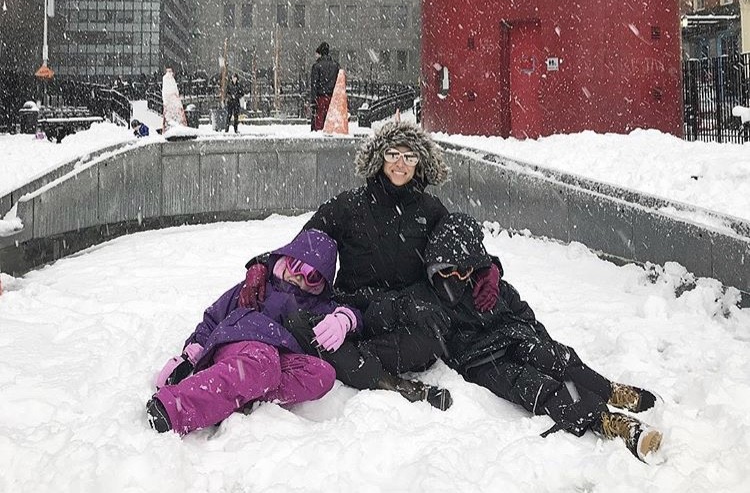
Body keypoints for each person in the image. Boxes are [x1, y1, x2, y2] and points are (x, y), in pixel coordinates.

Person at [239, 121, 502, 409]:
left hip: (404, 313)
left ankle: (344, 357)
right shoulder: (348, 206)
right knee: (298, 317)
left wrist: (488, 267)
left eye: (410, 157)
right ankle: (357, 362)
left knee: (432, 339)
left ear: (420, 163)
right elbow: (303, 247)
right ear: (380, 157)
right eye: (393, 154)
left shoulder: (431, 210)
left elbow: (459, 250)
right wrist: (262, 265)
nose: (400, 164)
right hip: (351, 310)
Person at [367, 212, 663, 462]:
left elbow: (524, 314)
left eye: (465, 270)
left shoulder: (491, 287)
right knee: (535, 387)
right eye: (449, 271)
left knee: (559, 359)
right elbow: (378, 313)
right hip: (481, 360)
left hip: (515, 337)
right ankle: (608, 422)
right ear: (436, 268)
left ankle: (609, 390)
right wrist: (406, 308)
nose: (457, 278)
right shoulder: (427, 295)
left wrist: (545, 343)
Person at [146, 230, 361, 436]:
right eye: (297, 266)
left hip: (274, 360)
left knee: (322, 374)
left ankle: (240, 393)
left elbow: (356, 316)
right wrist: (190, 353)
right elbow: (214, 316)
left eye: (312, 276)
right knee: (263, 363)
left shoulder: (315, 304)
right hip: (240, 340)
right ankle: (174, 408)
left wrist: (344, 318)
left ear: (321, 283)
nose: (300, 278)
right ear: (287, 258)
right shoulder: (259, 285)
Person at [310, 41, 339, 130]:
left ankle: (319, 136)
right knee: (330, 122)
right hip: (332, 97)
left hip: (320, 97)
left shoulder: (316, 66)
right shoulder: (335, 66)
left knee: (319, 122)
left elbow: (314, 84)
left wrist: (313, 101)